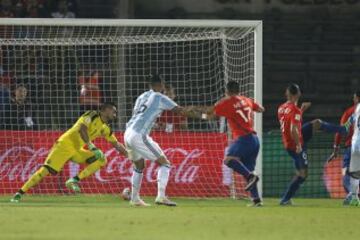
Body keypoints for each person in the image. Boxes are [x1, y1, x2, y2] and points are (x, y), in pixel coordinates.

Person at [10, 102, 128, 202]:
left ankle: (73, 180)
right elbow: (82, 128)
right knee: (45, 171)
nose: (115, 114)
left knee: (102, 159)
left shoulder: (105, 128)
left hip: (77, 151)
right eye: (113, 111)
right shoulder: (91, 115)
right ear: (106, 110)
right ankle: (19, 193)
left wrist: (130, 155)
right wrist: (91, 146)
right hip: (65, 145)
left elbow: (116, 144)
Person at [125, 74, 200, 207]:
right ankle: (161, 196)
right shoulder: (160, 97)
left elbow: (137, 115)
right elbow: (180, 111)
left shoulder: (141, 96)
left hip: (128, 133)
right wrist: (202, 115)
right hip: (139, 135)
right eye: (163, 86)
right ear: (160, 85)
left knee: (139, 166)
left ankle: (135, 199)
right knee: (165, 163)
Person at [277, 83, 347, 205]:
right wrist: (299, 145)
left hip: (291, 140)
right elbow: (293, 128)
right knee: (303, 174)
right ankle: (285, 199)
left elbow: (292, 123)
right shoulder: (294, 110)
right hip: (295, 144)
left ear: (286, 94)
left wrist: (301, 110)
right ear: (298, 94)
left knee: (317, 123)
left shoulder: (281, 108)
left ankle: (344, 129)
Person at [201, 81, 265, 207]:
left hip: (244, 139)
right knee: (249, 170)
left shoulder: (228, 102)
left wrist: (202, 115)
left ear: (227, 91)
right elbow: (262, 109)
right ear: (238, 90)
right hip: (255, 140)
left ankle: (251, 177)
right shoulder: (247, 99)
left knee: (228, 160)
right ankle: (256, 200)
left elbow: (211, 114)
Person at [327, 92, 360, 194]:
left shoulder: (350, 113)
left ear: (357, 98)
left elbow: (342, 130)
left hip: (352, 146)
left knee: (347, 172)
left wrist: (336, 148)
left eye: (354, 98)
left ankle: (352, 195)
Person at [343, 101, 360, 206]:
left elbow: (346, 125)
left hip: (355, 144)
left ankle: (354, 197)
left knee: (355, 173)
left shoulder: (357, 108)